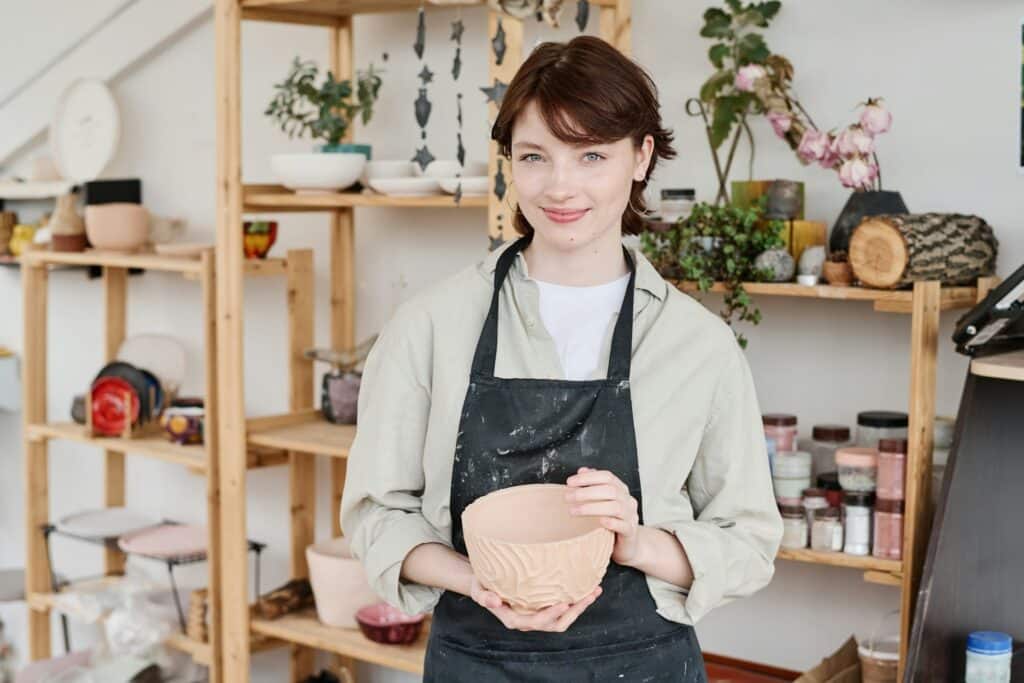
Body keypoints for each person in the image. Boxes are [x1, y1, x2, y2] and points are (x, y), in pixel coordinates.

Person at [342, 35, 782, 682]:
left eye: (592, 155)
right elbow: (375, 513)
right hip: (477, 661)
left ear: (642, 157)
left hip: (644, 664)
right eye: (534, 156)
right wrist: (478, 577)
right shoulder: (430, 326)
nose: (560, 186)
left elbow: (748, 541)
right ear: (510, 164)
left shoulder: (699, 346)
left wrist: (637, 541)